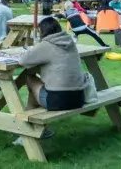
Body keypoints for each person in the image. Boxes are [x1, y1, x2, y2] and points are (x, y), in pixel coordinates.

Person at [12, 17, 87, 145]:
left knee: (30, 79)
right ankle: (35, 128)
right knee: (36, 86)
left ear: (42, 32)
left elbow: (23, 61)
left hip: (58, 100)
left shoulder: (46, 45)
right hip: (79, 97)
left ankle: (27, 130)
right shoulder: (69, 42)